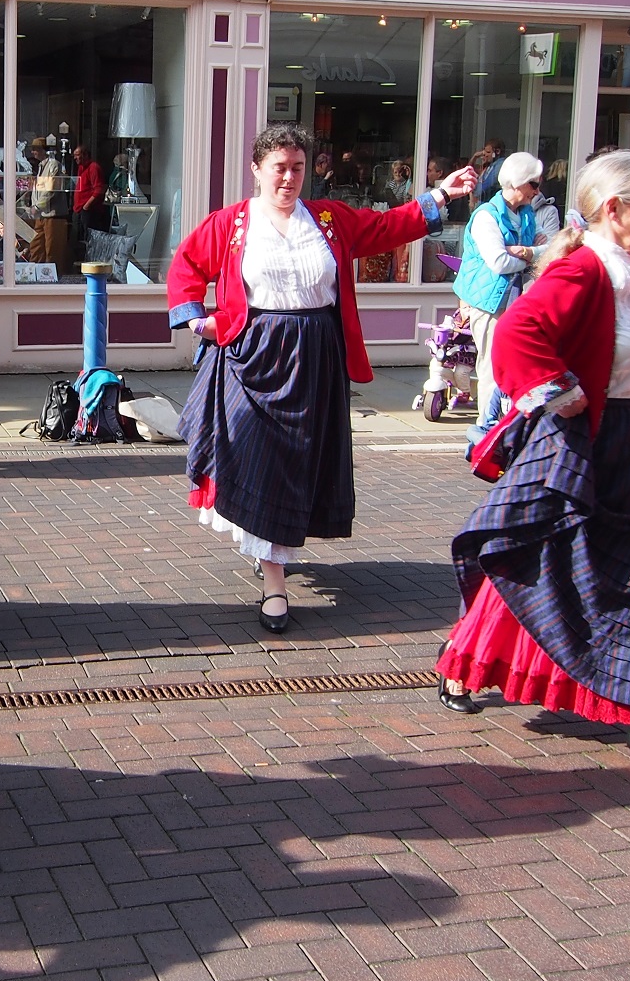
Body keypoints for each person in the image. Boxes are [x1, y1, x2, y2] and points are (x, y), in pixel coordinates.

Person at [432, 150, 630, 777]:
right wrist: (559, 392)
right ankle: (468, 657)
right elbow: (516, 335)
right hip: (582, 438)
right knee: (534, 553)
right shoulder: (585, 269)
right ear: (615, 209)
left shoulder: (629, 261)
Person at [169, 124, 476, 632]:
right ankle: (273, 577)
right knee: (252, 452)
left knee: (294, 463)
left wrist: (440, 195)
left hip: (315, 357)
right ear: (257, 169)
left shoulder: (330, 218)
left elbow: (387, 227)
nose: (289, 179)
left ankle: (272, 565)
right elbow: (186, 266)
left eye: (297, 168)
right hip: (252, 352)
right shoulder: (230, 223)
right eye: (278, 168)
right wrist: (200, 320)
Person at [449, 153, 552, 421]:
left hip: (519, 302)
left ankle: (509, 426)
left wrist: (529, 253)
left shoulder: (526, 213)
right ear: (516, 184)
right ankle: (486, 430)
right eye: (534, 184)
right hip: (489, 303)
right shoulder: (487, 216)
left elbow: (549, 249)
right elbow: (499, 262)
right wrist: (533, 255)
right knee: (492, 370)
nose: (537, 190)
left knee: (519, 367)